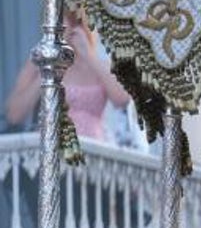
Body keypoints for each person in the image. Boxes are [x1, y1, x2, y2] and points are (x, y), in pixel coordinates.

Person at [5, 9, 130, 142]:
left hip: (93, 150)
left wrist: (89, 57)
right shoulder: (37, 62)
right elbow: (14, 115)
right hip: (53, 148)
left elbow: (122, 99)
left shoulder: (99, 66)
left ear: (77, 26)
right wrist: (47, 71)